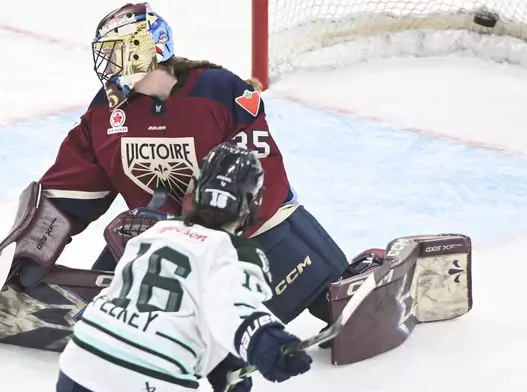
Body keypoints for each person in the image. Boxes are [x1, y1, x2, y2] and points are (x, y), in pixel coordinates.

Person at [33, 1, 362, 327]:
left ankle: (360, 279)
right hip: (155, 238)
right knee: (103, 310)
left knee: (336, 310)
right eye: (105, 52)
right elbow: (74, 181)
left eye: (117, 51)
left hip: (249, 232)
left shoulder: (219, 91)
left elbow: (251, 172)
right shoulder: (106, 111)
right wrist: (36, 236)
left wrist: (186, 229)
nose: (108, 62)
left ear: (149, 50)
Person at [56, 143, 312, 392]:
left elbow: (173, 309)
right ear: (249, 206)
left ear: (198, 191)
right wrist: (268, 342)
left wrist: (224, 362)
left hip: (82, 357)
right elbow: (231, 310)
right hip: (150, 373)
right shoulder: (239, 253)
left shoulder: (157, 231)